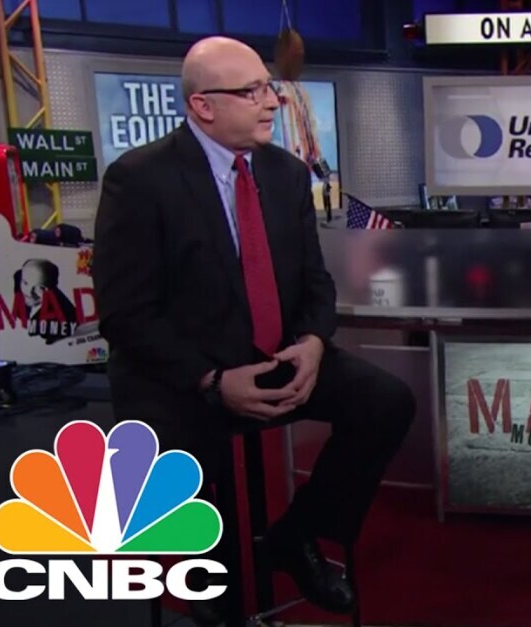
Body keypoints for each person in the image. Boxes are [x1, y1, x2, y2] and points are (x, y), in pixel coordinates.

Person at [92, 36, 415, 622]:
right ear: (203, 106)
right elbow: (125, 314)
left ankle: (299, 534)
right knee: (190, 469)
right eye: (252, 91)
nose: (272, 102)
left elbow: (315, 282)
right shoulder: (139, 179)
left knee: (386, 402)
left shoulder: (285, 174)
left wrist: (313, 344)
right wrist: (212, 380)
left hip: (276, 356)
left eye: (270, 87)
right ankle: (208, 585)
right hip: (181, 373)